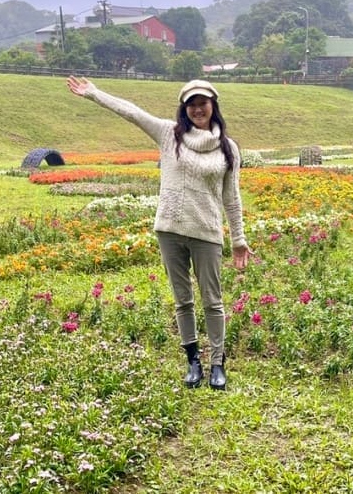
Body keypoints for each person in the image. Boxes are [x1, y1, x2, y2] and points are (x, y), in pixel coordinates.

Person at [66, 76, 252, 390]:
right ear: (184, 108)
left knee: (213, 301)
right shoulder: (169, 134)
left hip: (206, 231)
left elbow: (231, 198)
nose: (197, 109)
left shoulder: (227, 148)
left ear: (213, 105)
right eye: (191, 104)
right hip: (170, 230)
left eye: (202, 102)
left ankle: (217, 364)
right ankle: (193, 361)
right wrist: (95, 94)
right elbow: (133, 113)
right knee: (183, 301)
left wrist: (239, 239)